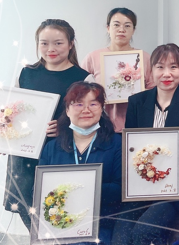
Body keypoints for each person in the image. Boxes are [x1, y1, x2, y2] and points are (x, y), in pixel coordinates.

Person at [112, 44, 179, 245]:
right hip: (141, 184)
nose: (167, 73)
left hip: (176, 186)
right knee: (120, 238)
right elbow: (131, 145)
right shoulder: (137, 101)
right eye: (160, 67)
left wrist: (155, 152)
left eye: (173, 67)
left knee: (144, 232)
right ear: (151, 71)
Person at [3, 19, 94, 232]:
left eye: (58, 43)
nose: (50, 49)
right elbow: (13, 111)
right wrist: (2, 136)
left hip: (60, 151)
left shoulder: (83, 78)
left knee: (58, 208)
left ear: (71, 44)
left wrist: (66, 127)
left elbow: (92, 118)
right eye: (44, 43)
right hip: (24, 154)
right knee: (25, 206)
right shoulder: (26, 73)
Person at [39, 82, 121, 244]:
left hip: (102, 225)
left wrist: (82, 189)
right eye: (78, 104)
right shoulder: (51, 148)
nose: (86, 110)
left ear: (102, 109)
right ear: (67, 110)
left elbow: (120, 190)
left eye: (93, 104)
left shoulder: (117, 144)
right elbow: (40, 190)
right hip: (61, 225)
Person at [81, 8, 154, 132]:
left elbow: (155, 91)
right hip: (99, 125)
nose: (121, 29)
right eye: (116, 25)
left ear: (133, 30)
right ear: (108, 28)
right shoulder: (93, 57)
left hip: (137, 124)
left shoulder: (144, 57)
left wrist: (140, 92)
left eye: (127, 26)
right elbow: (80, 90)